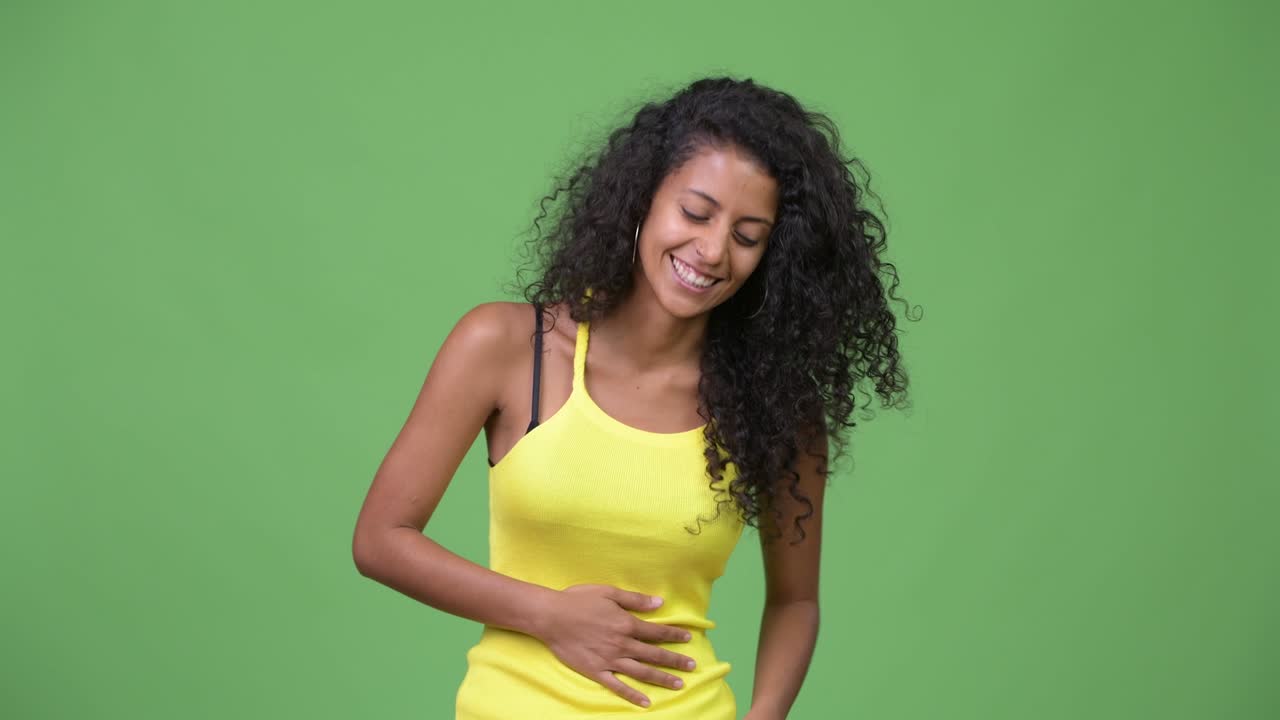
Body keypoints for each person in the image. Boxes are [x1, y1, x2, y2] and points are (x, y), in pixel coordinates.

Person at [351, 76, 915, 719]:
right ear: (644, 198)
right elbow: (381, 539)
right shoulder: (510, 347)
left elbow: (795, 601)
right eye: (696, 213)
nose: (711, 250)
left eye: (748, 235)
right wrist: (548, 614)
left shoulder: (774, 409)